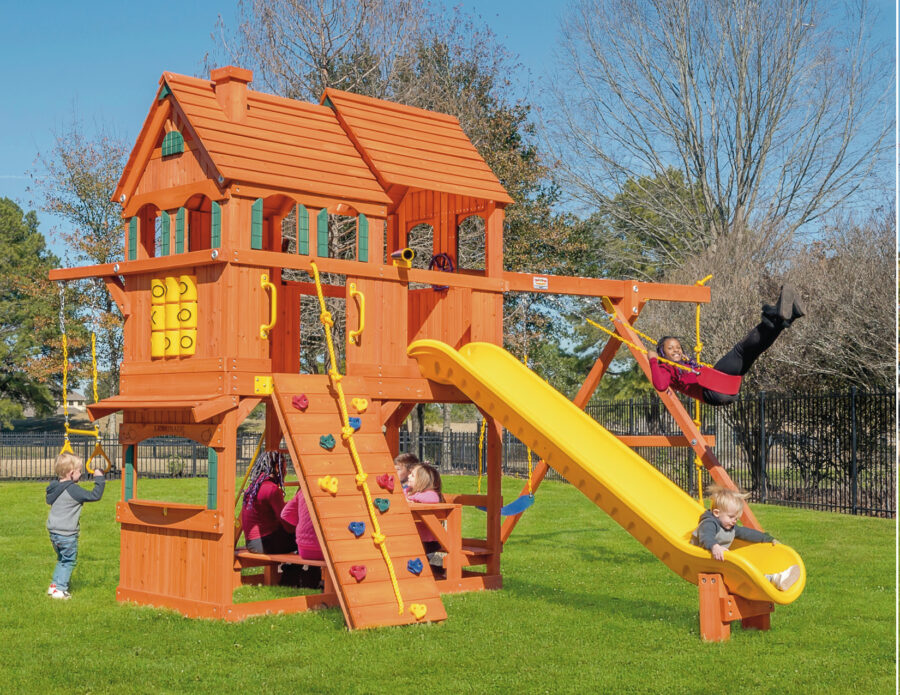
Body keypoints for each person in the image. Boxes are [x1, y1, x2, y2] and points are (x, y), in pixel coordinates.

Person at [649, 285, 805, 406]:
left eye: (678, 347)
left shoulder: (685, 364)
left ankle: (785, 319)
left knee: (754, 351)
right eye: (670, 348)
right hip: (712, 391)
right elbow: (661, 386)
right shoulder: (665, 368)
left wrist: (685, 361)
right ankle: (776, 314)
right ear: (662, 353)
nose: (676, 349)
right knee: (740, 350)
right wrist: (653, 360)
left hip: (727, 390)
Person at [691, 486, 801, 591]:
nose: (734, 521)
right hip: (702, 559)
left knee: (743, 569)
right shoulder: (709, 523)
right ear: (716, 513)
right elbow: (706, 536)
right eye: (731, 517)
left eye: (736, 518)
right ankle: (774, 579)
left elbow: (747, 533)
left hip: (716, 561)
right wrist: (715, 547)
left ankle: (776, 579)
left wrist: (768, 539)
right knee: (740, 571)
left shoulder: (730, 526)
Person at [45, 453, 106, 599]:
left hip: (54, 532)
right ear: (72, 473)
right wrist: (99, 478)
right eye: (79, 470)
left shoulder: (54, 487)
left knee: (62, 559)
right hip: (67, 534)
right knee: (69, 561)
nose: (81, 473)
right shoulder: (73, 489)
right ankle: (60, 590)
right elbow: (95, 495)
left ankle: (54, 586)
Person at [241, 451, 297, 555]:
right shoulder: (272, 489)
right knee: (307, 537)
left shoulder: (253, 487)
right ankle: (305, 570)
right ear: (277, 468)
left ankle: (292, 568)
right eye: (284, 468)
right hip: (265, 543)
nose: (286, 472)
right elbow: (287, 525)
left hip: (251, 543)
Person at [404, 462, 446, 576]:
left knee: (433, 561)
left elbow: (432, 499)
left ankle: (441, 570)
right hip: (416, 537)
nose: (408, 476)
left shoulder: (430, 494)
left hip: (429, 540)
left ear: (422, 480)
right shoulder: (407, 491)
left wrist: (412, 499)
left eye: (412, 475)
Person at [280, 489, 324, 589]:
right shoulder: (331, 492)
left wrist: (302, 524)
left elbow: (285, 514)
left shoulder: (302, 491)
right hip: (324, 550)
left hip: (304, 549)